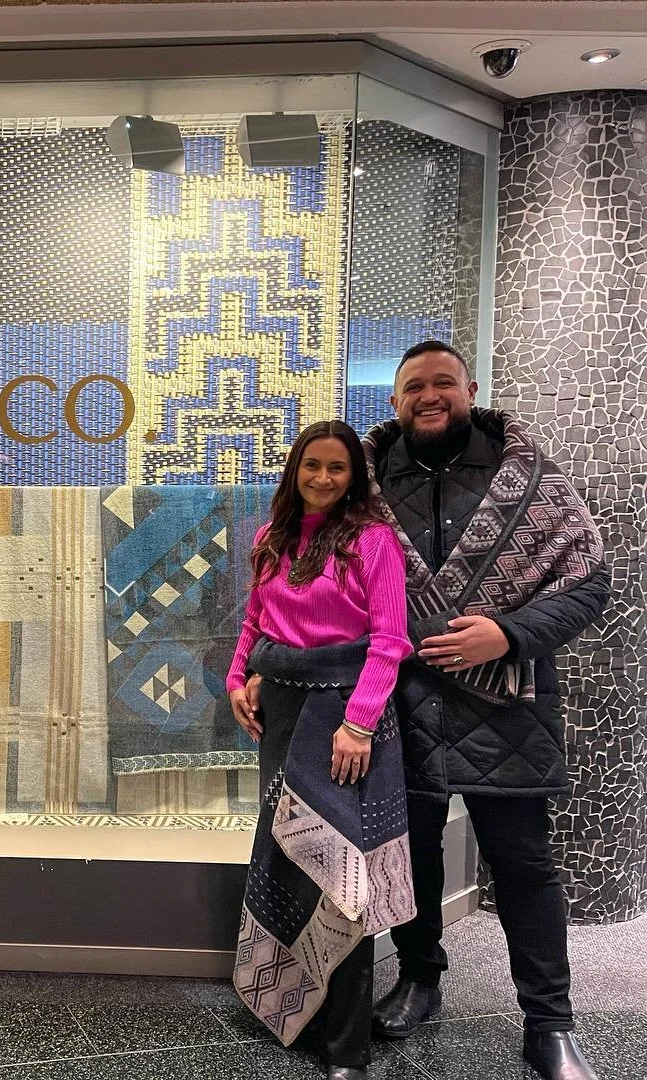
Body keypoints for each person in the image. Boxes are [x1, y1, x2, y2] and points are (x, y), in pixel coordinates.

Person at [361, 340, 610, 1080]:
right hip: (400, 699)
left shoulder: (527, 477)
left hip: (508, 707)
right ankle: (420, 979)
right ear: (395, 401)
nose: (429, 396)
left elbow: (589, 582)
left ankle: (550, 1022)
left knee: (523, 866)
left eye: (444, 382)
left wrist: (507, 634)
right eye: (414, 386)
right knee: (412, 857)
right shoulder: (366, 485)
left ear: (471, 390)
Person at [227, 419, 416, 1080]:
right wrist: (237, 681)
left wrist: (359, 723)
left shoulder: (373, 541)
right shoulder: (272, 538)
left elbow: (389, 641)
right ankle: (298, 1013)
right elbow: (255, 622)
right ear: (295, 470)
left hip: (343, 720)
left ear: (354, 477)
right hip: (281, 715)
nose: (324, 478)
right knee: (288, 859)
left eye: (338, 467)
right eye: (313, 465)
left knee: (342, 877)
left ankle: (346, 1047)